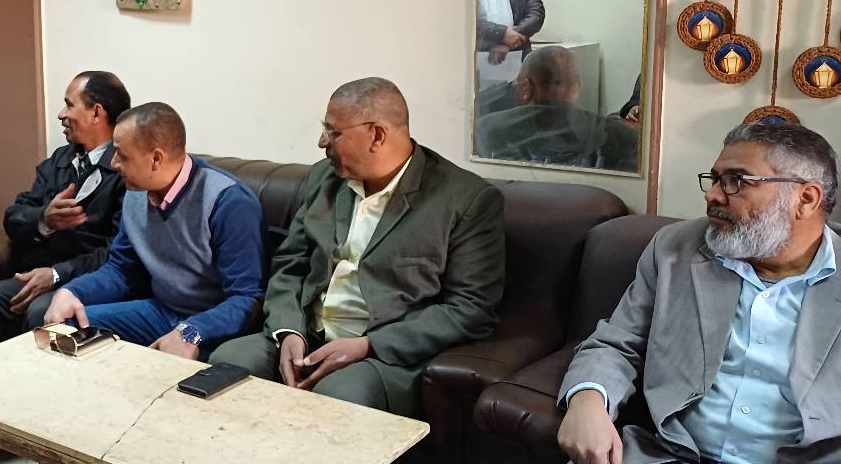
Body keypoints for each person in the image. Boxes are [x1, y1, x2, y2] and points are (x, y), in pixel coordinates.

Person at [210, 78, 505, 417]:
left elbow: (471, 308)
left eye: (333, 132)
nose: (322, 142)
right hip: (308, 335)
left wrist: (368, 345)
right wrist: (288, 330)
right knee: (227, 364)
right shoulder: (324, 178)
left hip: (382, 353)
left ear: (377, 135)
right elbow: (291, 262)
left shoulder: (465, 200)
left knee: (338, 397)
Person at [557, 122, 841, 464]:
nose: (713, 195)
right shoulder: (676, 248)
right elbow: (617, 342)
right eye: (716, 179)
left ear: (805, 199)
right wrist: (587, 400)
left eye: (736, 181)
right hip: (671, 457)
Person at [0, 72, 131, 464]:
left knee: (43, 313)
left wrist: (56, 275)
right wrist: (44, 220)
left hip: (84, 282)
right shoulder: (60, 161)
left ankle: (35, 432)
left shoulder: (123, 168)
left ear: (97, 112)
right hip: (32, 274)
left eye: (69, 105)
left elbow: (116, 252)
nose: (61, 115)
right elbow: (14, 216)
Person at [40, 102, 264, 361]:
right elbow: (121, 270)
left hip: (212, 326)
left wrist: (192, 331)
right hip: (160, 312)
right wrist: (72, 292)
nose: (113, 163)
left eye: (121, 155)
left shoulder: (229, 202)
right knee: (63, 325)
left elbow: (247, 298)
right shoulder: (135, 192)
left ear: (156, 158)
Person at [475, 46, 640, 171]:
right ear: (578, 87)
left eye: (517, 82)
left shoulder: (481, 130)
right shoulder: (625, 138)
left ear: (526, 87)